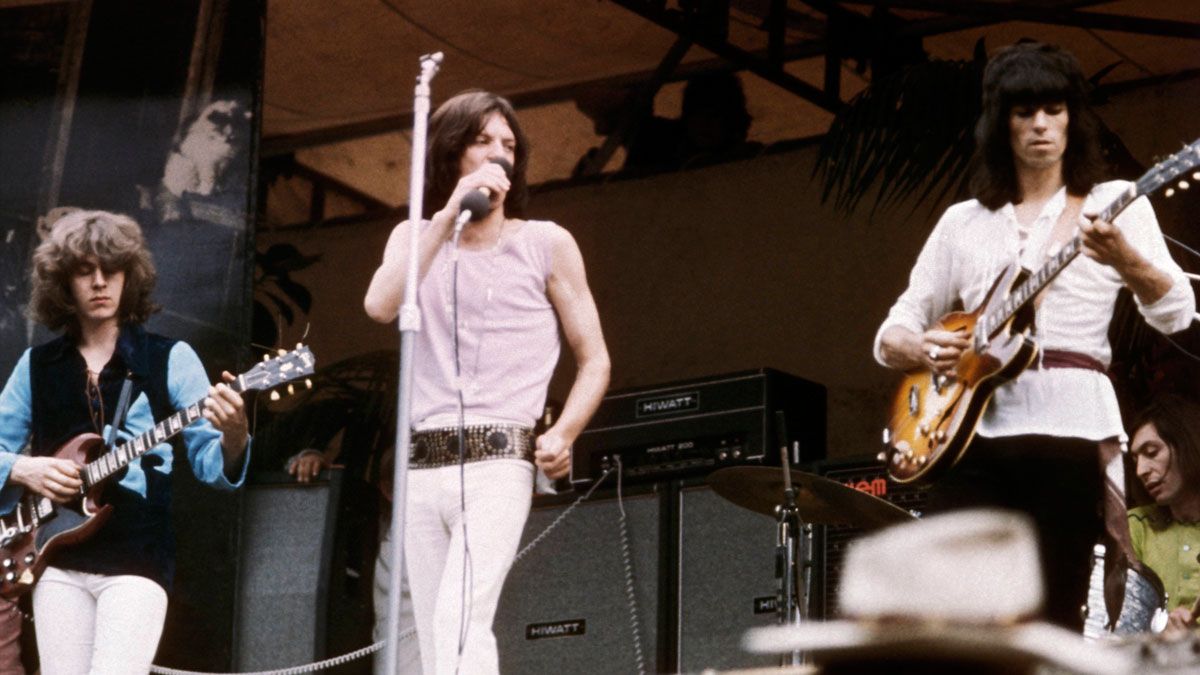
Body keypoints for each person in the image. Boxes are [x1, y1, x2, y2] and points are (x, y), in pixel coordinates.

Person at [874, 42, 1195, 630]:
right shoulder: (962, 223)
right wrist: (922, 347)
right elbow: (891, 332)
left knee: (1052, 613)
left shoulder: (1111, 204)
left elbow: (1176, 312)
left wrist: (1125, 258)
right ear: (1002, 125)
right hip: (971, 436)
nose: (1041, 125)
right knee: (955, 613)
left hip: (1069, 432)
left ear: (1074, 116)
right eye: (1025, 112)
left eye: (1054, 109)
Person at [364, 89, 610, 674]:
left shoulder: (545, 243)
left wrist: (566, 433)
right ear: (451, 154)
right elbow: (379, 305)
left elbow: (595, 358)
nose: (501, 155)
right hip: (422, 466)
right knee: (431, 634)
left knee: (458, 621)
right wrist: (447, 215)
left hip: (499, 459)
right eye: (483, 142)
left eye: (509, 145)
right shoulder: (414, 237)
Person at [0, 209, 250, 674]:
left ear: (128, 276)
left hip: (138, 557)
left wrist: (235, 434)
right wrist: (23, 468)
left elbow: (211, 464)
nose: (99, 282)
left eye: (111, 269)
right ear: (62, 283)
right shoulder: (37, 366)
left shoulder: (170, 358)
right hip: (59, 560)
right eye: (83, 270)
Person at [1127, 394, 1200, 637]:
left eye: (1151, 452)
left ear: (1187, 443)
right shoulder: (1136, 526)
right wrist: (1161, 633)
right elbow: (1124, 627)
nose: (1140, 471)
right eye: (1135, 460)